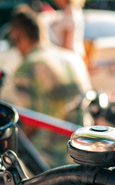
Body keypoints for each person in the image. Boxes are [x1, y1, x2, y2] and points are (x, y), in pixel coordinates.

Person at [8, 5, 91, 167]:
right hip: (84, 150)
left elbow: (28, 125)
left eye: (13, 41)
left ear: (19, 37)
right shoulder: (71, 57)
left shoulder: (28, 67)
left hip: (51, 160)